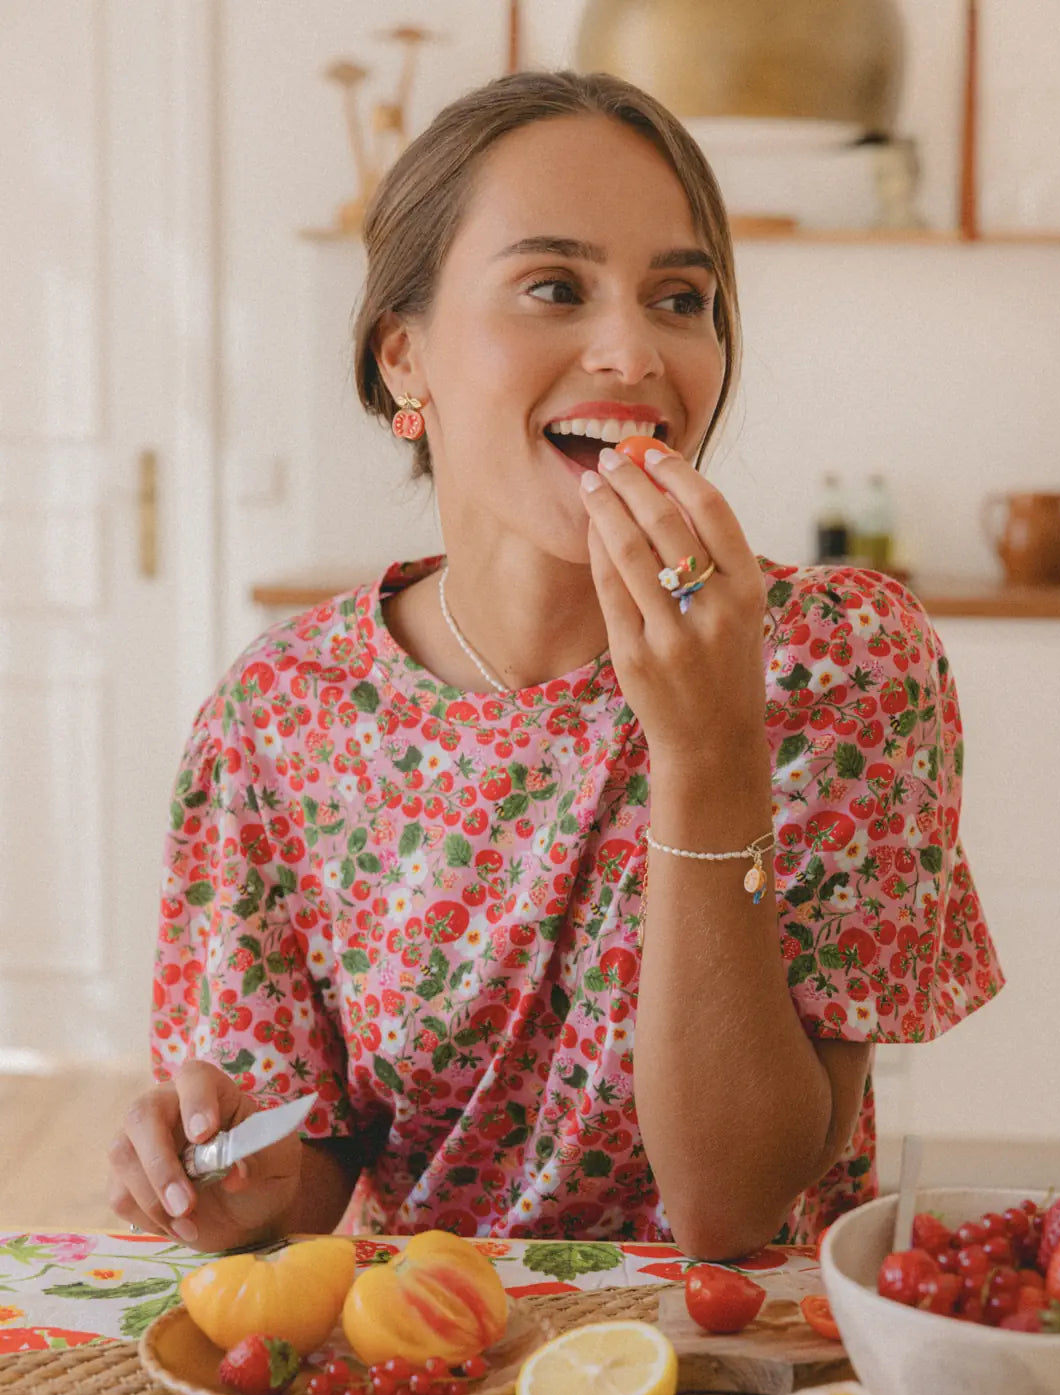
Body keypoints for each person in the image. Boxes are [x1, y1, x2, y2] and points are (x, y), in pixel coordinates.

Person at [107, 70, 1003, 1259]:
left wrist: (709, 748)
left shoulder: (839, 663)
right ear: (403, 358)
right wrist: (240, 1185)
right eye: (553, 287)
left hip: (738, 1355)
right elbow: (308, 1175)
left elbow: (731, 1209)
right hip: (428, 1349)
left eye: (679, 298)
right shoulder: (281, 715)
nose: (632, 352)